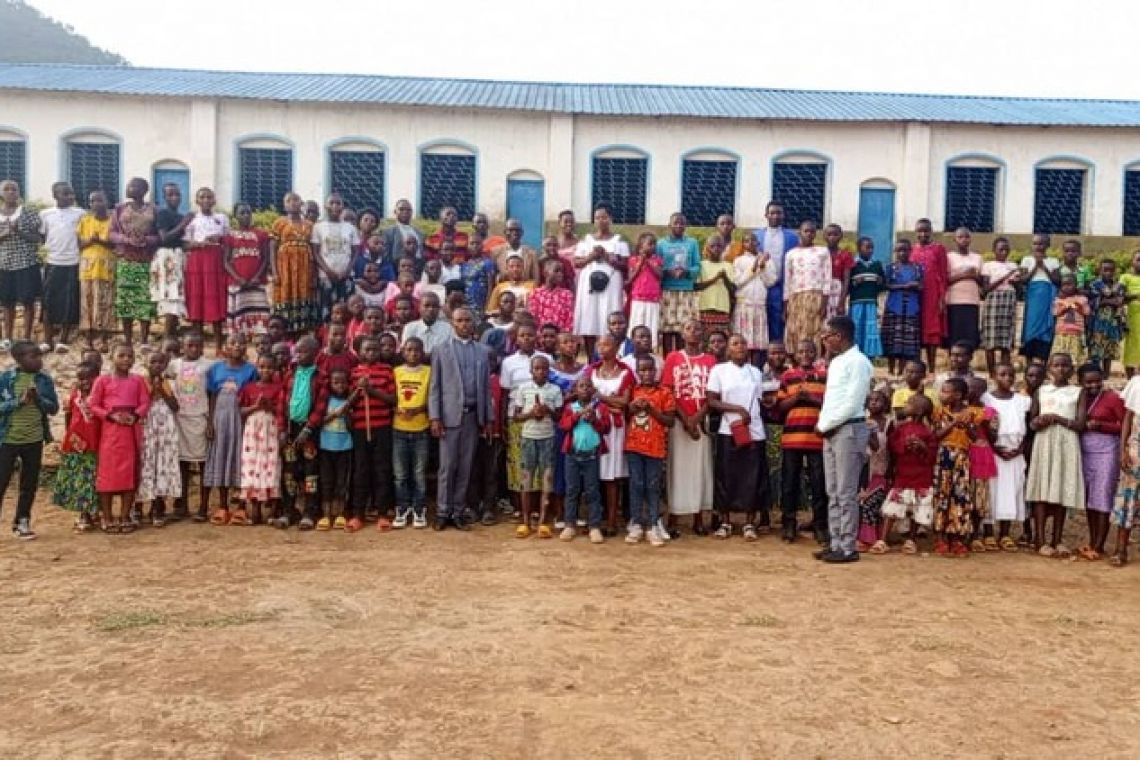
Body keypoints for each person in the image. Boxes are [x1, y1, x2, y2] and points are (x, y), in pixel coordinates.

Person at [815, 316, 873, 563]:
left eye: (827, 335)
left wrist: (825, 425)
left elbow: (852, 402)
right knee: (833, 491)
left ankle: (848, 546)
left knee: (846, 491)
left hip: (847, 429)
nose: (824, 339)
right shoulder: (838, 361)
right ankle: (836, 541)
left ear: (839, 336)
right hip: (832, 430)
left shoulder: (859, 362)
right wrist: (824, 425)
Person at [430, 308, 493, 530]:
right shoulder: (441, 350)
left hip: (473, 416)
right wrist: (435, 417)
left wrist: (487, 419)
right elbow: (435, 387)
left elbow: (485, 388)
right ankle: (442, 511)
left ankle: (457, 511)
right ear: (452, 323)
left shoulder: (482, 351)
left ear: (473, 323)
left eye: (468, 320)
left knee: (465, 467)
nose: (464, 324)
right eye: (460, 321)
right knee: (447, 467)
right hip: (449, 417)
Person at [707, 333, 768, 540]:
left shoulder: (756, 372)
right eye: (735, 343)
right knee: (726, 476)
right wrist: (738, 409)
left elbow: (760, 400)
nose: (740, 346)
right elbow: (712, 401)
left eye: (743, 343)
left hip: (754, 430)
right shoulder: (719, 371)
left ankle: (749, 523)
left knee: (752, 477)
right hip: (729, 428)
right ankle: (725, 521)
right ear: (728, 349)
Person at [1026, 353, 1085, 558]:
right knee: (1042, 490)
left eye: (1065, 366)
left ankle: (1057, 539)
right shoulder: (1041, 391)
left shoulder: (1078, 392)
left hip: (1066, 443)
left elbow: (1080, 424)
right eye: (1056, 365)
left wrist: (1058, 419)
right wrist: (1040, 421)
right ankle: (1040, 540)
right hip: (1045, 442)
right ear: (1049, 368)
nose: (1060, 369)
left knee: (1061, 490)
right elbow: (1031, 423)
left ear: (1071, 369)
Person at [663, 319, 716, 536]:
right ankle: (674, 517)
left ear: (703, 334)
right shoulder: (673, 358)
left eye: (697, 329)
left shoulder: (711, 360)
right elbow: (668, 391)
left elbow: (713, 393)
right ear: (682, 334)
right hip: (679, 421)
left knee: (701, 469)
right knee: (677, 469)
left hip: (702, 421)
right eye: (688, 328)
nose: (693, 332)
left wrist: (697, 418)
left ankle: (698, 518)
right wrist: (686, 420)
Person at [0, 342, 58, 539]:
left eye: (39, 356)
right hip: (7, 439)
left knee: (29, 483)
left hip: (34, 440)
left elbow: (54, 409)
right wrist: (19, 402)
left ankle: (22, 521)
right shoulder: (6, 379)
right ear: (19, 359)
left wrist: (39, 399)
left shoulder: (44, 380)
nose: (39, 361)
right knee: (2, 481)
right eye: (33, 357)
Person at [90, 343, 148, 534]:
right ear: (112, 358)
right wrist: (110, 415)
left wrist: (136, 416)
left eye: (130, 356)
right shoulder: (102, 381)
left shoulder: (138, 380)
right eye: (121, 355)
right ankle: (107, 517)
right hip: (110, 431)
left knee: (129, 474)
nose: (126, 360)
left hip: (131, 431)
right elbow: (94, 405)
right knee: (107, 476)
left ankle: (124, 516)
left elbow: (145, 402)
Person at [776, 340, 828, 544]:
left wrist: (812, 399)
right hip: (792, 438)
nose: (805, 354)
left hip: (816, 438)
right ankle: (788, 525)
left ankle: (820, 525)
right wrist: (798, 397)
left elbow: (830, 404)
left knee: (818, 483)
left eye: (809, 351)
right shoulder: (788, 376)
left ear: (815, 353)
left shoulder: (824, 376)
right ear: (795, 355)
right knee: (789, 483)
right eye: (801, 351)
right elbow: (780, 407)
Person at [931, 376, 987, 558]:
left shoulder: (972, 413)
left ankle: (957, 538)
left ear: (958, 395)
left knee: (960, 496)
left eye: (946, 391)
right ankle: (941, 538)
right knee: (942, 496)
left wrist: (968, 426)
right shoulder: (940, 412)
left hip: (962, 459)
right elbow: (937, 436)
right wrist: (954, 423)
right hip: (943, 457)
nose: (942, 394)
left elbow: (975, 437)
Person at [203, 333, 256, 525]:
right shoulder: (215, 369)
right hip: (220, 420)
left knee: (241, 461)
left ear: (246, 347)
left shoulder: (251, 370)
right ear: (225, 346)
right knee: (221, 458)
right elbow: (212, 397)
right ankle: (223, 506)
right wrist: (210, 422)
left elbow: (252, 396)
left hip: (240, 421)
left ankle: (241, 507)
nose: (237, 346)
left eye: (241, 343)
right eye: (233, 342)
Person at [510, 355, 564, 539]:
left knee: (546, 481)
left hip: (547, 439)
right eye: (537, 369)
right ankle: (525, 521)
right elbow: (516, 417)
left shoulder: (555, 390)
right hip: (528, 439)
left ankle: (543, 522)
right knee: (526, 480)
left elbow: (559, 417)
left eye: (544, 369)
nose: (541, 372)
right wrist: (531, 413)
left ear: (549, 371)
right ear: (531, 371)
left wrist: (547, 410)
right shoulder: (523, 389)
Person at [624, 355, 676, 547]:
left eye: (649, 370)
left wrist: (652, 410)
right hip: (634, 446)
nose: (646, 374)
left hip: (655, 446)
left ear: (656, 371)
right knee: (636, 484)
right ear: (637, 373)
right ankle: (636, 522)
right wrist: (632, 407)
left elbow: (670, 421)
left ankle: (653, 523)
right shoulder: (632, 391)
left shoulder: (664, 392)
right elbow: (625, 414)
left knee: (653, 486)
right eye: (642, 370)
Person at [500, 323, 550, 520]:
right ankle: (519, 506)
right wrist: (504, 420)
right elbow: (505, 393)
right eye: (522, 335)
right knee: (517, 462)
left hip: (541, 417)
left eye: (530, 335)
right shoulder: (508, 362)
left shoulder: (546, 359)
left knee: (538, 461)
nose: (527, 338)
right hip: (518, 417)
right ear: (516, 339)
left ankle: (537, 506)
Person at [586, 333, 634, 535]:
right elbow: (585, 395)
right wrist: (610, 402)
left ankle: (613, 521)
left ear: (616, 348)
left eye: (607, 344)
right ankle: (594, 519)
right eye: (600, 344)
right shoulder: (592, 370)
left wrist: (600, 397)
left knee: (612, 476)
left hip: (615, 428)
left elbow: (624, 402)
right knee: (592, 473)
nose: (602, 348)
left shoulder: (625, 372)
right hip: (592, 425)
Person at [347, 335, 396, 531]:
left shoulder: (386, 371)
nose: (371, 353)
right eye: (367, 350)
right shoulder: (353, 373)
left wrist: (373, 390)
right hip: (360, 429)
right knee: (361, 472)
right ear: (359, 353)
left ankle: (382, 513)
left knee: (382, 470)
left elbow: (393, 400)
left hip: (382, 428)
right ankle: (358, 514)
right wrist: (359, 390)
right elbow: (348, 403)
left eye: (375, 349)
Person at [879, 393, 937, 555]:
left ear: (918, 412)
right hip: (903, 476)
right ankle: (883, 540)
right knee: (892, 508)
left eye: (910, 403)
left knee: (917, 510)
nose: (906, 404)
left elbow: (931, 456)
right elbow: (892, 445)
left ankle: (911, 539)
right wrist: (905, 445)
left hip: (921, 477)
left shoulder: (927, 432)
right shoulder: (900, 428)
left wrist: (922, 447)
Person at [980, 364, 1029, 551]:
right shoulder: (986, 399)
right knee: (991, 492)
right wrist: (995, 449)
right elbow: (983, 429)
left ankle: (1006, 533)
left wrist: (1019, 450)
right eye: (1002, 374)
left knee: (1011, 490)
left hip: (1015, 453)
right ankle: (988, 533)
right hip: (993, 452)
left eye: (1011, 375)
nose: (1007, 378)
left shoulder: (1022, 400)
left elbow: (1026, 430)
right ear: (993, 376)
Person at [1077, 363, 1123, 561]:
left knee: (1102, 495)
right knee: (1090, 498)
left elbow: (1123, 425)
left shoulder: (1112, 398)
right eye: (1088, 382)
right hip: (1085, 450)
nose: (1093, 385)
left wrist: (1101, 425)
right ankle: (1092, 539)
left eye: (1097, 381)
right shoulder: (1080, 397)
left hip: (1107, 450)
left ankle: (1099, 544)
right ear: (1080, 382)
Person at [573, 203, 629, 358]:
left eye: (604, 217)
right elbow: (576, 263)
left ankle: (611, 356)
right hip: (589, 286)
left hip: (611, 285)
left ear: (610, 218)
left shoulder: (619, 241)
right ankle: (591, 358)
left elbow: (625, 265)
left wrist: (606, 257)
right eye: (597, 218)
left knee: (610, 315)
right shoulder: (586, 240)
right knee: (589, 317)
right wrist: (591, 256)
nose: (600, 221)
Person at [558, 375, 609, 544]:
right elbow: (563, 426)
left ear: (593, 390)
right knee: (572, 490)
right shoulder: (570, 407)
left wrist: (594, 420)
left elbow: (606, 428)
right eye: (581, 386)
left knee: (593, 491)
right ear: (575, 390)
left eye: (588, 386)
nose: (585, 389)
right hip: (572, 455)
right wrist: (576, 416)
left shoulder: (600, 407)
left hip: (592, 456)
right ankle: (570, 524)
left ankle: (594, 526)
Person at [167, 333, 211, 522]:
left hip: (200, 418)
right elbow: (168, 385)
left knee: (203, 464)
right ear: (182, 347)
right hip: (180, 419)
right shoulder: (174, 365)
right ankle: (182, 504)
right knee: (181, 464)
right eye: (189, 345)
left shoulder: (208, 366)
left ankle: (203, 507)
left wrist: (210, 421)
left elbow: (211, 394)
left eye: (197, 346)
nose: (193, 349)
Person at [280, 337, 323, 529]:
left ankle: (310, 511)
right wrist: (281, 428)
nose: (299, 355)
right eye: (297, 352)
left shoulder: (320, 376)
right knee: (289, 471)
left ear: (315, 354)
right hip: (290, 430)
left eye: (304, 352)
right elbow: (282, 402)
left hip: (309, 432)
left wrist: (309, 428)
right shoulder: (290, 375)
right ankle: (289, 511)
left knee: (310, 472)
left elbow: (321, 407)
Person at [136, 350, 181, 527]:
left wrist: (161, 390)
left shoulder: (167, 383)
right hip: (146, 427)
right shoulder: (139, 382)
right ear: (146, 363)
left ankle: (157, 507)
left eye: (160, 363)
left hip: (164, 430)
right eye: (152, 362)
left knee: (161, 464)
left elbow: (175, 406)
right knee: (144, 463)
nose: (156, 365)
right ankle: (138, 506)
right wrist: (151, 391)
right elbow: (138, 405)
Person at [238, 353, 284, 525]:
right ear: (256, 367)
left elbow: (281, 411)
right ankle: (255, 509)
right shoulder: (249, 387)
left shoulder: (279, 388)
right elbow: (240, 411)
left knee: (270, 466)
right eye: (262, 367)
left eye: (270, 367)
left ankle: (271, 510)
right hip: (252, 433)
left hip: (270, 430)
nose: (266, 370)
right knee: (252, 466)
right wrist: (256, 406)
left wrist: (269, 406)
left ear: (275, 369)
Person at [54, 362, 100, 532]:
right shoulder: (74, 395)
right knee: (81, 480)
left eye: (89, 377)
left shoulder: (100, 396)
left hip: (95, 443)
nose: (85, 382)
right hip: (76, 443)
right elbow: (69, 417)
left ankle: (95, 511)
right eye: (81, 378)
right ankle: (84, 513)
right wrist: (68, 437)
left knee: (94, 479)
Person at [181, 187, 229, 349]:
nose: (207, 200)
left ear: (214, 200)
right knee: (197, 298)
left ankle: (218, 346)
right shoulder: (192, 219)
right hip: (197, 260)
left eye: (210, 197)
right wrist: (199, 243)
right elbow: (185, 243)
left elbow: (229, 239)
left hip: (215, 260)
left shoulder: (221, 218)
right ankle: (197, 345)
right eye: (203, 197)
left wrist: (219, 237)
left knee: (215, 298)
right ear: (197, 201)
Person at [39, 181, 84, 353]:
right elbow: (43, 237)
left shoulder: (79, 214)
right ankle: (47, 339)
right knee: (48, 300)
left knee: (69, 301)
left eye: (72, 193)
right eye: (65, 194)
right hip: (52, 262)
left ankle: (63, 340)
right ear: (55, 195)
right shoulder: (46, 214)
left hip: (72, 262)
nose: (70, 197)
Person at [393, 337, 431, 529]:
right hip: (399, 429)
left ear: (422, 352)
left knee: (419, 473)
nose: (413, 353)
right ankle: (402, 507)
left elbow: (433, 397)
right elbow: (392, 397)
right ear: (402, 352)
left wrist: (419, 410)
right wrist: (396, 409)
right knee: (400, 474)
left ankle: (419, 508)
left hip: (421, 429)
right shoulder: (397, 372)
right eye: (409, 350)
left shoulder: (428, 372)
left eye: (417, 350)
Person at [0, 180, 43, 349]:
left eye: (14, 189)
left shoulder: (29, 213)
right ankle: (7, 338)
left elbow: (38, 239)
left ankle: (26, 338)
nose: (11, 192)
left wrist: (18, 232)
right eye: (6, 189)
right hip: (4, 264)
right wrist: (5, 233)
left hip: (26, 263)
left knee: (28, 301)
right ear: (1, 193)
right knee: (7, 302)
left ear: (19, 192)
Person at [269, 192, 318, 333]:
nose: (293, 203)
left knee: (304, 295)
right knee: (284, 295)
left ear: (301, 204)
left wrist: (314, 274)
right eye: (289, 201)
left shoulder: (309, 225)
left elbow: (314, 251)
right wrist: (274, 272)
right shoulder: (279, 223)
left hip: (305, 267)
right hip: (285, 267)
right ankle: (284, 332)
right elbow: (272, 248)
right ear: (284, 206)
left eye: (296, 200)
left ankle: (301, 332)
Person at [314, 368, 355, 531]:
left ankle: (340, 513)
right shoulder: (326, 400)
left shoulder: (349, 402)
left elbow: (352, 427)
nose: (340, 386)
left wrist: (348, 414)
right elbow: (318, 421)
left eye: (343, 382)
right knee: (326, 481)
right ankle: (326, 514)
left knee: (341, 482)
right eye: (336, 382)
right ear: (330, 384)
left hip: (344, 446)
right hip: (326, 447)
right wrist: (335, 414)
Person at [781, 220, 831, 351]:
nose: (809, 234)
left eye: (812, 231)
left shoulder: (823, 251)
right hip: (796, 297)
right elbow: (788, 280)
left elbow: (827, 278)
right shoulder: (791, 254)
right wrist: (786, 305)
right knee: (795, 328)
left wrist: (824, 303)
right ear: (799, 232)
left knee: (814, 329)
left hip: (816, 296)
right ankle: (797, 360)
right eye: (806, 231)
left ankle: (814, 361)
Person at [223, 202, 271, 336]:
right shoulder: (230, 236)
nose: (246, 216)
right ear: (235, 216)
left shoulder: (261, 234)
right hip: (237, 282)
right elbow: (226, 261)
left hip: (257, 281)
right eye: (242, 213)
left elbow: (265, 258)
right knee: (239, 315)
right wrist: (238, 278)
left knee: (259, 317)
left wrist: (257, 276)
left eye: (248, 212)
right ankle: (239, 341)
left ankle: (259, 343)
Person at [754, 201, 798, 342]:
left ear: (783, 215)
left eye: (779, 213)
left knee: (779, 319)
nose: (775, 216)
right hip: (759, 285)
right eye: (772, 213)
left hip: (781, 285)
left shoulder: (792, 237)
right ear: (766, 215)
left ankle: (777, 352)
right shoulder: (756, 236)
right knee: (760, 319)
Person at [77, 190, 116, 352]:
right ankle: (88, 336)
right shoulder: (85, 221)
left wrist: (100, 241)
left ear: (107, 202)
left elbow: (115, 244)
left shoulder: (113, 221)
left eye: (99, 200)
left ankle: (102, 337)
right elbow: (79, 245)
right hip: (88, 266)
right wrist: (90, 241)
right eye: (92, 201)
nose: (95, 204)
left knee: (105, 301)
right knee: (87, 301)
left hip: (106, 265)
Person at [657, 213, 701, 355]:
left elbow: (697, 266)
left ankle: (684, 359)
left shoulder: (692, 243)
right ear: (669, 225)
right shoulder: (661, 244)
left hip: (685, 290)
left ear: (685, 226)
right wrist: (666, 271)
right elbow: (656, 265)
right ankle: (668, 360)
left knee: (684, 329)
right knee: (667, 329)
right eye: (675, 223)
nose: (679, 226)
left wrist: (686, 271)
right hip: (667, 290)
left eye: (682, 223)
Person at [732, 233, 778, 365]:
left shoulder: (767, 260)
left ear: (758, 243)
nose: (751, 243)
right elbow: (737, 281)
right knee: (743, 342)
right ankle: (742, 366)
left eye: (753, 240)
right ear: (743, 244)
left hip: (759, 306)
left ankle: (756, 369)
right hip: (744, 305)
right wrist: (753, 268)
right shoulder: (739, 260)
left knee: (758, 343)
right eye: (747, 241)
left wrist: (762, 266)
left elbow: (770, 282)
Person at [311, 193, 359, 321]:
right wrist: (327, 270)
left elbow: (355, 251)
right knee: (326, 310)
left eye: (338, 203)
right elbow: (315, 252)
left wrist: (348, 270)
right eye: (331, 203)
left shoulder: (350, 228)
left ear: (342, 206)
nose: (335, 206)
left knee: (346, 310)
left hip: (346, 275)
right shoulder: (318, 227)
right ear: (326, 206)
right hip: (326, 276)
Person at [152, 183, 189, 338]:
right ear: (165, 197)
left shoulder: (181, 216)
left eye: (177, 194)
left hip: (178, 256)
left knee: (177, 296)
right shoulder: (163, 214)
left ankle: (173, 333)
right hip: (167, 257)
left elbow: (182, 241)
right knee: (170, 296)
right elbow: (165, 238)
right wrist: (183, 225)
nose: (174, 197)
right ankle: (167, 337)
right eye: (170, 194)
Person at [911, 218, 948, 371]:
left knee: (932, 330)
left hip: (932, 294)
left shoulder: (938, 249)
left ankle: (932, 367)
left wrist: (942, 297)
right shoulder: (911, 250)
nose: (923, 234)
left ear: (931, 231)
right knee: (916, 328)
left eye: (926, 230)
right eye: (920, 231)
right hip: (915, 295)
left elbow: (943, 274)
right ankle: (917, 366)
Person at [980, 236, 1020, 376]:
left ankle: (1004, 372)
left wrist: (1015, 280)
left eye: (1006, 249)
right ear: (994, 250)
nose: (1004, 252)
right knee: (990, 340)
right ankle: (992, 373)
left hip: (1009, 300)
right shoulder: (988, 265)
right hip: (994, 301)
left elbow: (1018, 287)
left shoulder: (1013, 265)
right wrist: (1005, 277)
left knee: (1006, 341)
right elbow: (985, 289)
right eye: (1001, 249)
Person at [882, 239, 922, 376]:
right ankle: (891, 369)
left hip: (911, 307)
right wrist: (903, 286)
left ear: (910, 251)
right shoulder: (890, 268)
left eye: (905, 250)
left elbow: (922, 286)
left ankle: (901, 370)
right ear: (895, 252)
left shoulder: (917, 268)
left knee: (906, 341)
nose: (902, 253)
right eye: (899, 250)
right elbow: (885, 285)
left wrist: (915, 286)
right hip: (894, 306)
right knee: (892, 339)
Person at [1019, 234, 1060, 363]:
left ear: (1047, 245)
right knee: (1030, 327)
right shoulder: (1027, 260)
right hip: (1033, 296)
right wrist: (1036, 266)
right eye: (1035, 243)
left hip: (1047, 295)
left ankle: (1042, 362)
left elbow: (1057, 280)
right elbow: (1023, 280)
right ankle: (1029, 362)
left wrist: (1044, 267)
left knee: (1045, 328)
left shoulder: (1053, 261)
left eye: (1041, 244)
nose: (1038, 246)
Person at [1114, 372, 1140, 566]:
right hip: (1136, 450)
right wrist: (1123, 448)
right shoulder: (1137, 383)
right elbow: (1127, 418)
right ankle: (1120, 549)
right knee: (1129, 497)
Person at [945, 227, 983, 352]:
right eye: (960, 237)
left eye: (966, 237)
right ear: (954, 240)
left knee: (970, 334)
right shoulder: (949, 257)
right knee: (955, 333)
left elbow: (982, 281)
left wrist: (974, 276)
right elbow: (946, 279)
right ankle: (954, 361)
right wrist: (965, 274)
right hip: (954, 301)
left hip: (972, 301)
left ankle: (968, 361)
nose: (964, 240)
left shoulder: (977, 258)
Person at [1087, 259, 1127, 377]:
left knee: (1109, 349)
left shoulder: (1119, 286)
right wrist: (1110, 301)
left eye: (1111, 270)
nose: (1108, 273)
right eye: (1105, 270)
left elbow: (1120, 301)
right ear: (1100, 270)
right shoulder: (1094, 284)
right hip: (1097, 322)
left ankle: (1106, 374)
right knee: (1096, 348)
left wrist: (1105, 300)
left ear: (1115, 271)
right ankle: (1096, 373)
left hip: (1113, 322)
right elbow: (1094, 301)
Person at [847, 236, 884, 359]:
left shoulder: (877, 265)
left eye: (872, 247)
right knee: (857, 327)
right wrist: (855, 282)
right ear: (859, 248)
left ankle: (870, 354)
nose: (870, 250)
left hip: (871, 302)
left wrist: (880, 282)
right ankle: (856, 352)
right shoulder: (853, 265)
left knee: (870, 327)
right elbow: (847, 285)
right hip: (856, 302)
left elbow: (883, 285)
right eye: (867, 247)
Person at [626, 232, 663, 347]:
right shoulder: (633, 260)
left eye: (654, 244)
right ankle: (633, 348)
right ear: (641, 245)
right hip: (638, 299)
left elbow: (660, 275)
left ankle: (650, 349)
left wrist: (648, 262)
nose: (652, 246)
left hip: (653, 300)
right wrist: (641, 262)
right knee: (636, 324)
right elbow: (631, 278)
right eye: (649, 244)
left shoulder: (657, 260)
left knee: (651, 326)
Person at [695, 234, 733, 336]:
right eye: (712, 246)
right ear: (707, 247)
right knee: (705, 341)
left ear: (723, 248)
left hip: (722, 309)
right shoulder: (701, 265)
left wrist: (724, 278)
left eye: (719, 246)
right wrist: (715, 279)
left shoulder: (728, 265)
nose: (716, 249)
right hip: (705, 308)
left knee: (721, 341)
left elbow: (732, 290)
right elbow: (696, 286)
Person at [1051, 274, 1090, 366]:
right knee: (1060, 353)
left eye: (1070, 284)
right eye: (1064, 285)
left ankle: (1075, 371)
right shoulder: (1058, 300)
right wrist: (1065, 306)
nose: (1067, 287)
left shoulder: (1082, 299)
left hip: (1076, 333)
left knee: (1075, 355)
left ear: (1076, 285)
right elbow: (1055, 313)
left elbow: (1087, 312)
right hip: (1061, 333)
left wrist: (1078, 306)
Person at [528, 259, 575, 335]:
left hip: (560, 338)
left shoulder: (567, 294)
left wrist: (563, 335)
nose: (560, 274)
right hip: (541, 337)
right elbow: (533, 318)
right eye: (556, 271)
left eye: (561, 271)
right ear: (545, 273)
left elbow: (569, 319)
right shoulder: (535, 293)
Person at [381, 199, 424, 268]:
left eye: (408, 210)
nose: (405, 212)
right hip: (397, 271)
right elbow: (386, 256)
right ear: (395, 212)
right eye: (401, 209)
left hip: (418, 269)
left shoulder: (419, 233)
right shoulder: (388, 233)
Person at [823, 223, 852, 319]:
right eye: (829, 234)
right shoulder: (819, 254)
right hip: (822, 290)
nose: (832, 237)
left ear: (841, 236)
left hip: (837, 291)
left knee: (837, 321)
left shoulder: (845, 255)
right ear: (824, 236)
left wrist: (842, 301)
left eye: (835, 234)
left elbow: (846, 279)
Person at [1120, 250, 1140, 377]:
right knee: (1131, 347)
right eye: (1138, 259)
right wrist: (1135, 296)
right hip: (1132, 316)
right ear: (1132, 262)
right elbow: (1120, 296)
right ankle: (1130, 379)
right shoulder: (1125, 277)